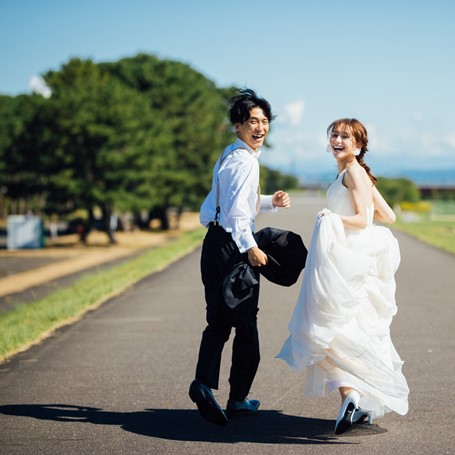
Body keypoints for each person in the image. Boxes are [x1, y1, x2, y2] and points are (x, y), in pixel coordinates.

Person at [277, 118, 409, 434]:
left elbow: (364, 220)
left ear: (359, 145)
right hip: (345, 258)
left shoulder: (353, 172)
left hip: (350, 261)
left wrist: (332, 216)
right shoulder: (355, 174)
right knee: (343, 332)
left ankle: (352, 396)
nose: (337, 140)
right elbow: (388, 215)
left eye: (345, 136)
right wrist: (364, 194)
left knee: (329, 332)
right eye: (334, 135)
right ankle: (354, 400)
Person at [189, 88, 291, 426]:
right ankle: (237, 398)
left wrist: (268, 203)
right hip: (233, 247)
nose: (260, 128)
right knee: (246, 325)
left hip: (213, 243)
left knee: (218, 320)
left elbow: (226, 205)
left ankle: (203, 384)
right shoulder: (245, 161)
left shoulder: (230, 154)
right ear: (238, 125)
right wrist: (250, 248)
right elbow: (236, 215)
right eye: (252, 121)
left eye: (264, 122)